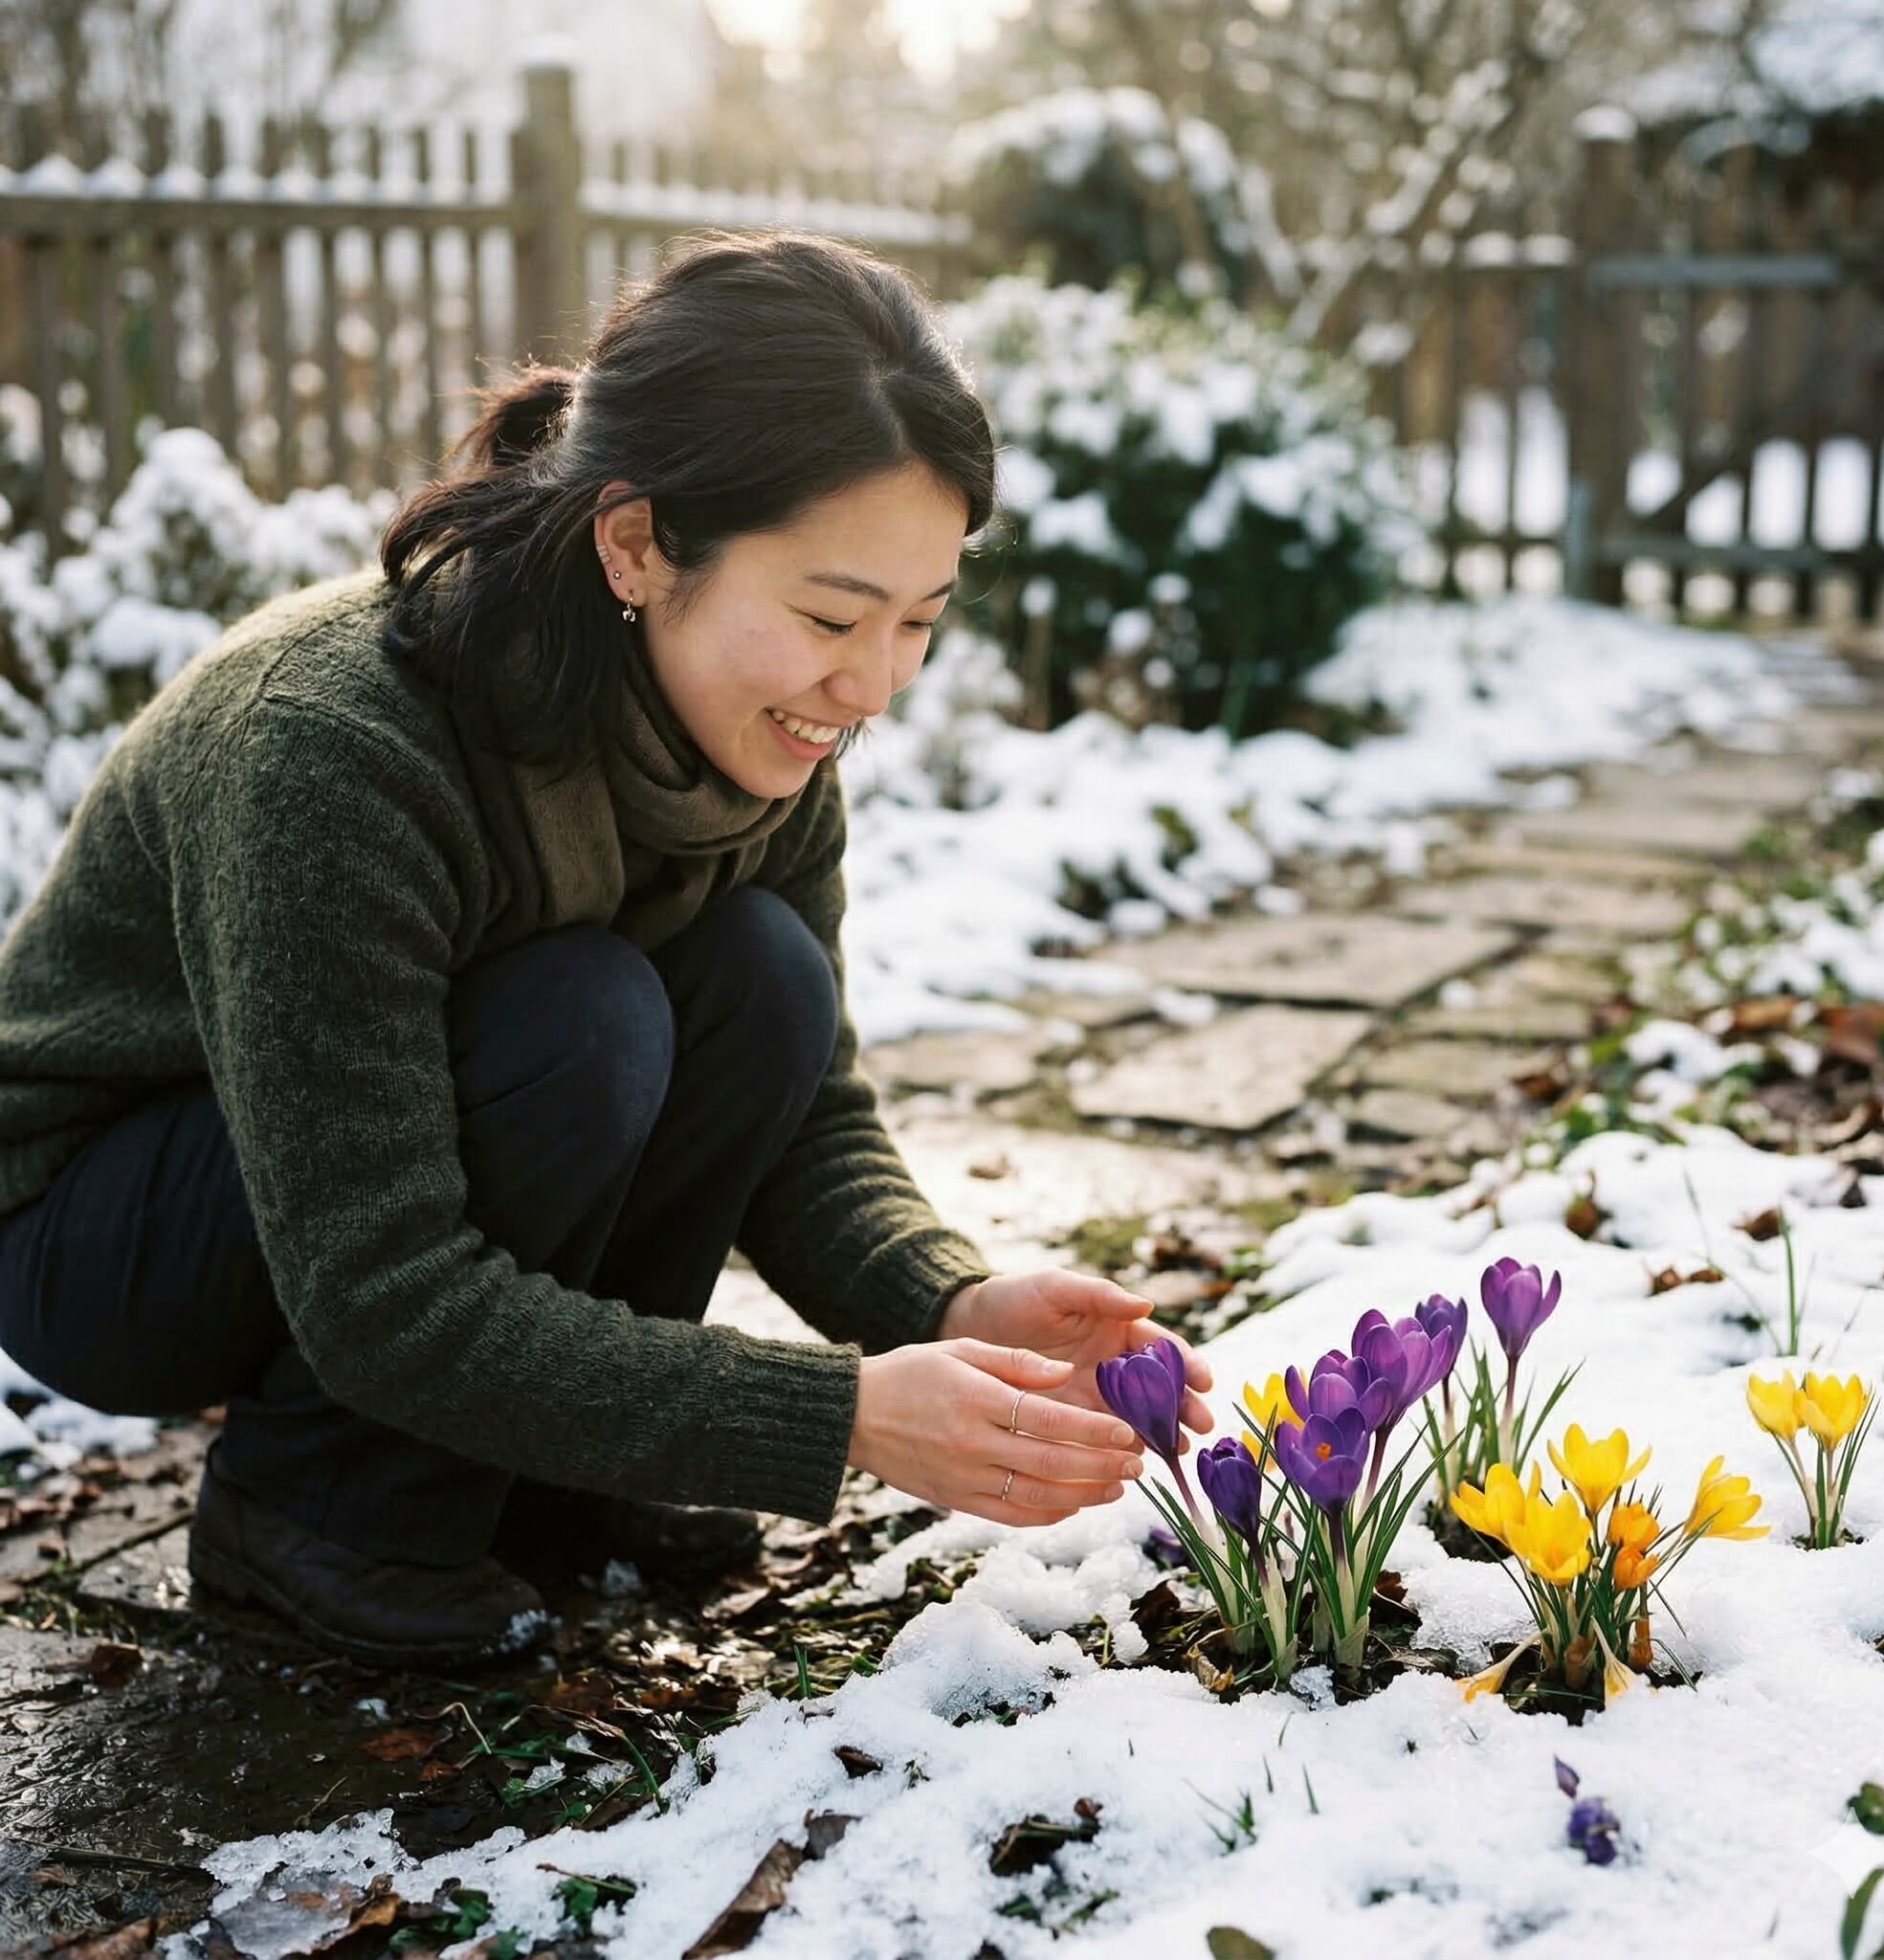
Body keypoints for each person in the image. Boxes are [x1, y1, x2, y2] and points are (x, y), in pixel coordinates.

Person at [0, 231, 1212, 1668]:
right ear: (635, 542)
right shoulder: (329, 751)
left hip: (351, 1198)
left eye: (918, 623)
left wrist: (946, 1297)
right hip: (112, 1224)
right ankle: (314, 1517)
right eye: (832, 615)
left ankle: (564, 1482)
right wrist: (835, 1415)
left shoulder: (761, 738)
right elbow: (382, 1292)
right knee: (584, 1017)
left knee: (762, 975)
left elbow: (807, 1107)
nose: (872, 685)